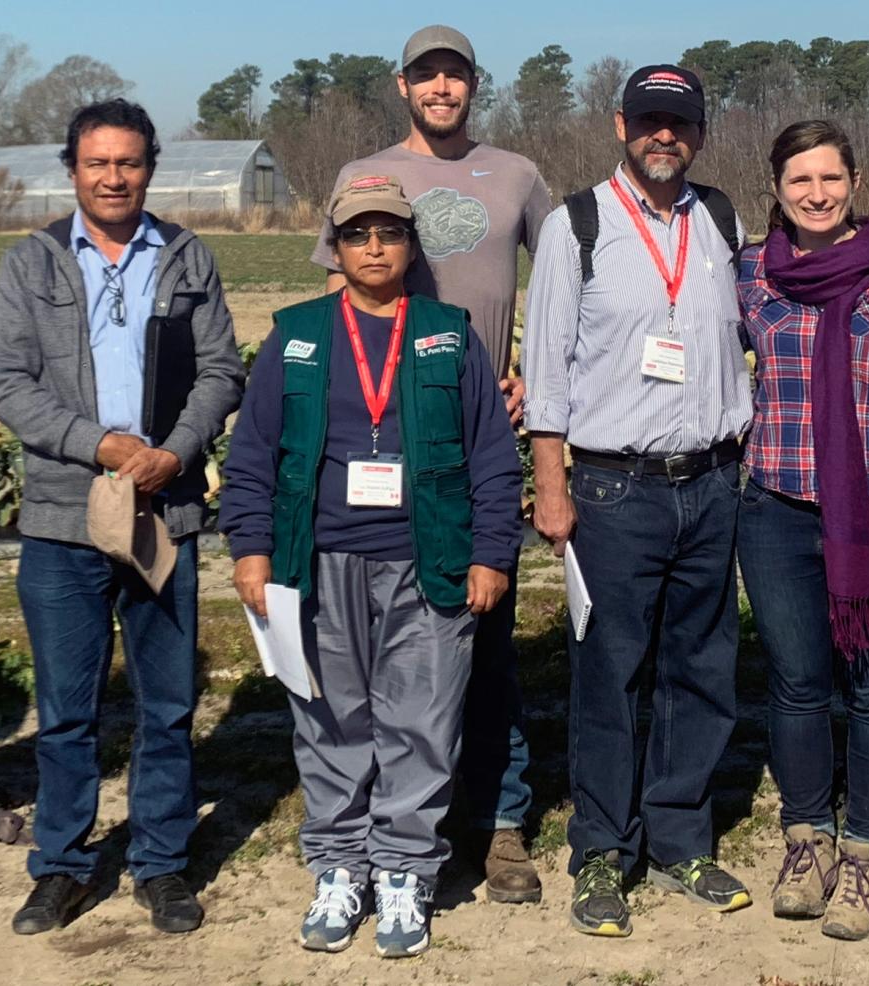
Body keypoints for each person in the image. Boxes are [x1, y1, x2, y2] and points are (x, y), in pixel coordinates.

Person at [222, 173, 521, 958]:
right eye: (358, 234)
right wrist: (250, 550)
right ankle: (338, 864)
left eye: (389, 232)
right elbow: (252, 453)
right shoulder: (297, 334)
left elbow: (492, 455)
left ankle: (403, 871)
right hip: (315, 561)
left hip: (429, 562)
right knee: (329, 719)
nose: (375, 246)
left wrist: (492, 553)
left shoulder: (448, 333)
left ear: (410, 244)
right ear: (337, 246)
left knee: (421, 724)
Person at [0, 99, 245, 937]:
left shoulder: (186, 257)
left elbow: (220, 370)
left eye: (128, 163)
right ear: (72, 170)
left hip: (165, 509)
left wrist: (174, 451)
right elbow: (9, 385)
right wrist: (101, 446)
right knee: (67, 709)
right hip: (66, 520)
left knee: (165, 704)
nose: (113, 177)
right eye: (97, 163)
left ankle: (161, 863)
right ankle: (61, 865)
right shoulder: (32, 264)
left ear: (149, 169)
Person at [311, 26, 553, 901]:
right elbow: (340, 300)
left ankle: (497, 822)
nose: (440, 87)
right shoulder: (363, 179)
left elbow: (562, 280)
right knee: (380, 650)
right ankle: (386, 822)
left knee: (483, 640)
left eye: (454, 75)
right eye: (426, 75)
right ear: (401, 85)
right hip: (384, 439)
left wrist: (536, 370)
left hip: (477, 439)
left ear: (473, 85)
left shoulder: (518, 173)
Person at [522, 64, 754, 936]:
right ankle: (599, 855)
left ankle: (681, 839)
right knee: (609, 676)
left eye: (681, 124)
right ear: (621, 125)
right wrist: (552, 489)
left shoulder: (722, 218)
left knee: (701, 670)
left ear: (699, 132)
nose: (666, 137)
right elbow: (545, 371)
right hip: (613, 489)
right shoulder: (575, 225)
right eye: (651, 122)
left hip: (711, 481)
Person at [735, 120, 869, 941]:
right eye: (798, 180)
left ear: (854, 180)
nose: (815, 194)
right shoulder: (750, 271)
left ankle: (866, 848)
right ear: (775, 188)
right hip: (774, 507)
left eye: (829, 178)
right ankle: (807, 835)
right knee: (796, 682)